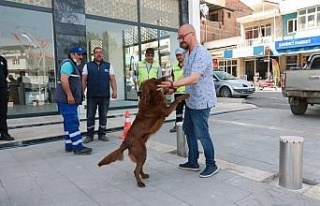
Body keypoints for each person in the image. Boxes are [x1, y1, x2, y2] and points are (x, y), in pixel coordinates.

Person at [158, 24, 219, 178]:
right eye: (179, 37)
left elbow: (193, 78)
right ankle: (193, 161)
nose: (180, 40)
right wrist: (173, 88)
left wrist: (172, 84)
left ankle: (211, 164)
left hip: (202, 101)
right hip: (191, 100)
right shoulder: (189, 54)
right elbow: (184, 76)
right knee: (188, 130)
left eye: (182, 36)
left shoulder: (202, 53)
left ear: (192, 34)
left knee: (202, 133)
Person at [55, 46, 92, 155]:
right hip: (67, 100)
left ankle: (69, 145)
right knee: (72, 121)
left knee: (68, 122)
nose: (81, 57)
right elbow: (64, 80)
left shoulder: (72, 65)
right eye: (78, 54)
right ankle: (78, 147)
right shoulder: (68, 64)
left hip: (67, 99)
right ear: (72, 54)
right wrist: (70, 95)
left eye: (81, 55)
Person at [82, 47, 117, 143]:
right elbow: (84, 80)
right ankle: (89, 135)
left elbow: (112, 79)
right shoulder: (87, 66)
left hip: (104, 95)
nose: (99, 54)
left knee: (103, 115)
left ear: (103, 54)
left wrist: (114, 91)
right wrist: (82, 92)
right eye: (96, 52)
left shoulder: (108, 66)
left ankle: (102, 134)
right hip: (91, 96)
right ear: (93, 54)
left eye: (100, 52)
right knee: (90, 116)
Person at [169, 48, 186, 133]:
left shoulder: (188, 65)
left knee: (190, 110)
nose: (179, 57)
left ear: (184, 55)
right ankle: (178, 125)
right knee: (178, 110)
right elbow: (172, 79)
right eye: (177, 55)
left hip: (187, 92)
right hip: (178, 92)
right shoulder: (174, 67)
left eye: (180, 55)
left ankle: (189, 126)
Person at [0, 55, 14, 141]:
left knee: (2, 112)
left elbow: (5, 73)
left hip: (2, 89)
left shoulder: (2, 59)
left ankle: (4, 133)